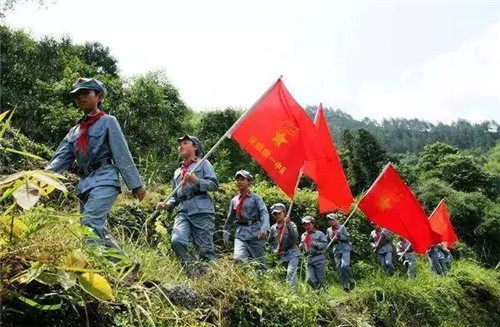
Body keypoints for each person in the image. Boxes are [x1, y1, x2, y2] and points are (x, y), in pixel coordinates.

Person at [46, 77, 146, 258]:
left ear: (98, 96)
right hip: (85, 184)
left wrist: (136, 185)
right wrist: (41, 179)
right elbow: (60, 159)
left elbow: (121, 153)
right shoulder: (75, 131)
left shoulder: (108, 121)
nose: (80, 98)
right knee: (91, 231)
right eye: (77, 95)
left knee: (90, 225)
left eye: (85, 93)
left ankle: (99, 272)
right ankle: (127, 266)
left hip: (105, 179)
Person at [156, 135, 218, 276]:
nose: (181, 146)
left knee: (205, 249)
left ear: (194, 147)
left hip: (201, 209)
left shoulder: (203, 163)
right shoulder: (177, 171)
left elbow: (214, 185)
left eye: (185, 143)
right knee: (177, 241)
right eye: (179, 144)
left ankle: (214, 279)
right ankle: (194, 273)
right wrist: (166, 204)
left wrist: (196, 181)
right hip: (183, 211)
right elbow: (175, 196)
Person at [223, 170, 269, 269]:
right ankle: (242, 282)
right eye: (237, 180)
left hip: (255, 232)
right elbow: (230, 218)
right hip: (241, 233)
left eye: (242, 179)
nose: (239, 182)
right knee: (239, 259)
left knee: (260, 264)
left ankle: (261, 282)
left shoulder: (256, 198)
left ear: (249, 181)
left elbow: (264, 213)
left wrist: (264, 228)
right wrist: (226, 232)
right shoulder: (234, 200)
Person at [268, 203, 300, 287]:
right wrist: (274, 249)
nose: (278, 215)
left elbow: (295, 238)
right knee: (282, 274)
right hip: (282, 254)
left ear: (284, 213)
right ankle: (286, 292)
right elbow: (270, 241)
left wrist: (288, 225)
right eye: (275, 214)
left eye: (279, 213)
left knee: (291, 272)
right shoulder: (273, 228)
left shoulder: (291, 224)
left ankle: (292, 294)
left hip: (293, 252)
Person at [326, 213, 355, 291]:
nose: (330, 221)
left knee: (344, 266)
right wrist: (327, 246)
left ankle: (351, 280)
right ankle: (344, 286)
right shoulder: (328, 230)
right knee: (339, 269)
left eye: (332, 219)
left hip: (345, 248)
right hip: (336, 250)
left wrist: (339, 236)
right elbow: (327, 241)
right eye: (329, 220)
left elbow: (347, 238)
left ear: (336, 220)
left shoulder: (342, 227)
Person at [299, 216, 328, 290]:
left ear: (313, 224)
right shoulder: (303, 235)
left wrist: (314, 243)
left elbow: (325, 245)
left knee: (321, 280)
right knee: (310, 279)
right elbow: (303, 248)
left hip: (319, 258)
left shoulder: (319, 234)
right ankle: (317, 292)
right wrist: (301, 246)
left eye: (308, 224)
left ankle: (324, 296)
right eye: (305, 225)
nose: (307, 226)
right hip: (308, 259)